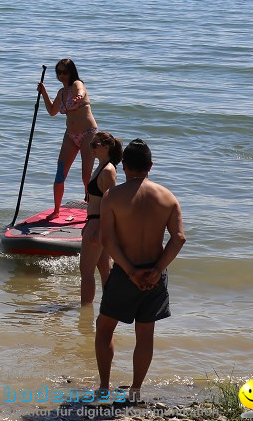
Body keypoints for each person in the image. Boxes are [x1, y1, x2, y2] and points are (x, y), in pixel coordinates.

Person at [95, 139, 186, 403]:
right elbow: (178, 238)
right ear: (151, 166)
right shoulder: (167, 197)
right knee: (145, 335)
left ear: (123, 166)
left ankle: (104, 387)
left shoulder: (113, 196)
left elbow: (108, 241)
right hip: (155, 275)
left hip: (126, 273)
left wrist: (131, 271)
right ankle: (135, 391)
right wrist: (157, 270)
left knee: (104, 328)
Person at [37, 58, 99, 215]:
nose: (62, 75)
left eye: (65, 72)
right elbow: (52, 111)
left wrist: (79, 97)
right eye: (59, 72)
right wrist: (44, 92)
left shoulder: (77, 84)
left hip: (88, 134)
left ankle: (93, 210)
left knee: (86, 177)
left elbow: (81, 91)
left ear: (72, 72)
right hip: (70, 136)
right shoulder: (61, 93)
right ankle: (56, 210)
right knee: (60, 173)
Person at [81, 132, 122, 306]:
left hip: (99, 222)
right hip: (94, 220)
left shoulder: (108, 170)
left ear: (106, 147)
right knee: (105, 268)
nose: (91, 148)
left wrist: (99, 229)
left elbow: (112, 202)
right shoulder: (101, 166)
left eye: (94, 145)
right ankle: (111, 307)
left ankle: (85, 312)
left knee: (86, 271)